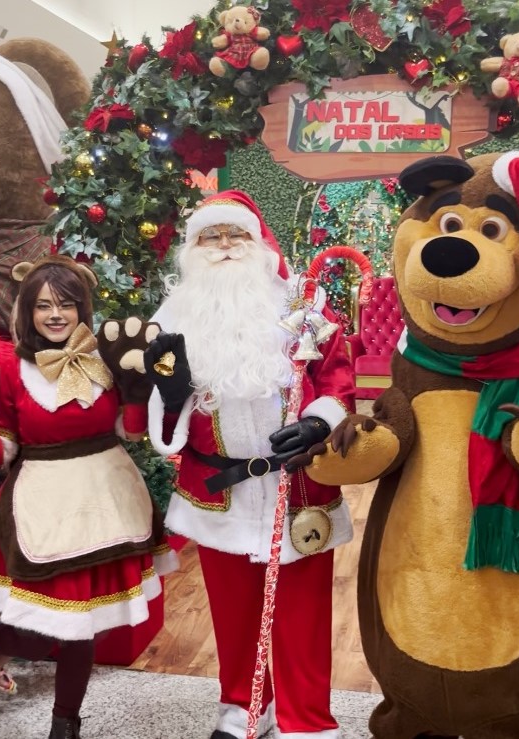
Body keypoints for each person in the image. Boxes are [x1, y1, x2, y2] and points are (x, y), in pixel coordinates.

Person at [144, 190, 356, 739]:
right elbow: (166, 429)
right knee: (234, 614)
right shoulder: (173, 316)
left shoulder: (301, 301)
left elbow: (338, 377)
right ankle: (244, 708)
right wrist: (169, 399)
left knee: (303, 614)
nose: (223, 248)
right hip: (218, 489)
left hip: (298, 484)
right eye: (209, 237)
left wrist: (317, 422)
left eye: (234, 235)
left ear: (257, 240)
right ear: (193, 249)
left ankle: (307, 721)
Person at [0, 254, 177, 739]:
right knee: (45, 631)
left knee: (84, 625)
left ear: (84, 308)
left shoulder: (107, 358)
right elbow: (4, 455)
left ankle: (66, 726)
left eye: (66, 304)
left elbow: (129, 431)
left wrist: (136, 390)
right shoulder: (9, 369)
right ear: (28, 312)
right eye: (43, 306)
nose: (56, 314)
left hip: (106, 502)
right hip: (44, 506)